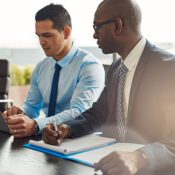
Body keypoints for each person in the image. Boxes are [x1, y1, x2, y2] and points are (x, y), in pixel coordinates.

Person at [42, 0, 175, 174]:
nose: (94, 35)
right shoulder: (116, 69)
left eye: (97, 27)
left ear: (117, 25)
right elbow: (98, 113)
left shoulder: (167, 67)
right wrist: (65, 129)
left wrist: (140, 157)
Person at [2, 4, 105, 138]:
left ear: (66, 32)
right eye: (38, 36)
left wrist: (35, 125)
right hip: (47, 138)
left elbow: (79, 112)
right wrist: (20, 113)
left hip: (78, 138)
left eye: (47, 35)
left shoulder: (89, 66)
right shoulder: (41, 67)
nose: (41, 42)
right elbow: (32, 106)